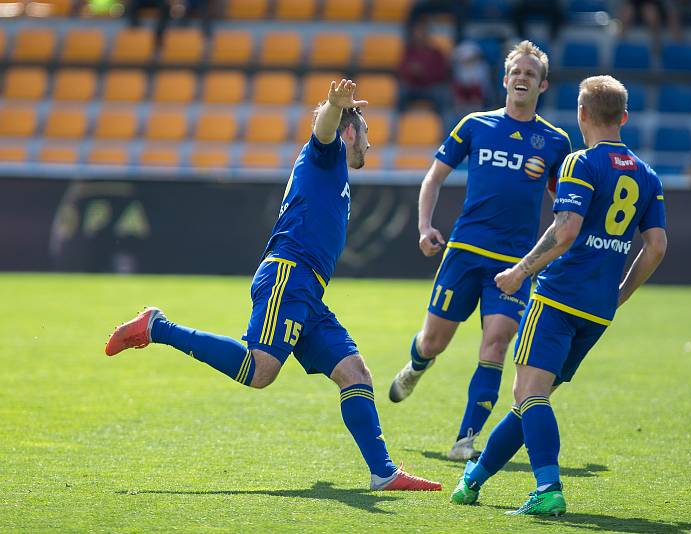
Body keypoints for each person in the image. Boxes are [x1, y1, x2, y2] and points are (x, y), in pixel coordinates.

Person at [105, 80, 442, 493]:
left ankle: (383, 473)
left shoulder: (334, 170)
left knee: (355, 373)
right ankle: (158, 327)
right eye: (367, 135)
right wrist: (334, 107)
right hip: (289, 275)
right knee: (259, 370)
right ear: (351, 131)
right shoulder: (328, 152)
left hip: (307, 290)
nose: (370, 147)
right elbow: (322, 129)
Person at [450, 75, 668, 516]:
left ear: (582, 114)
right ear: (623, 117)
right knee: (532, 399)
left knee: (529, 394)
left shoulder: (579, 163)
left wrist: (519, 271)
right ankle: (473, 479)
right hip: (599, 308)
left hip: (558, 297)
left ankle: (548, 488)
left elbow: (565, 230)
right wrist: (621, 292)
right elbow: (657, 245)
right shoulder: (646, 174)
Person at [388, 41, 572, 462]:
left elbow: (566, 207)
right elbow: (433, 179)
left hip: (513, 264)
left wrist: (548, 254)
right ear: (505, 80)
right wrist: (424, 227)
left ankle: (464, 441)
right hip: (464, 252)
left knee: (496, 343)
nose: (522, 78)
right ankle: (417, 366)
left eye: (531, 74)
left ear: (542, 86)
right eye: (517, 72)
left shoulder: (555, 142)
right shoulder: (475, 125)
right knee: (433, 341)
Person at [397, 19, 451, 114]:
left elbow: (442, 73)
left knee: (441, 95)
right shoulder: (409, 52)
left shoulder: (436, 53)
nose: (419, 35)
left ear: (427, 35)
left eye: (422, 33)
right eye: (417, 33)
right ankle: (400, 123)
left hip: (430, 87)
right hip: (413, 86)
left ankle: (442, 123)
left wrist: (424, 73)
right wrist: (412, 72)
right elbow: (402, 70)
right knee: (401, 93)